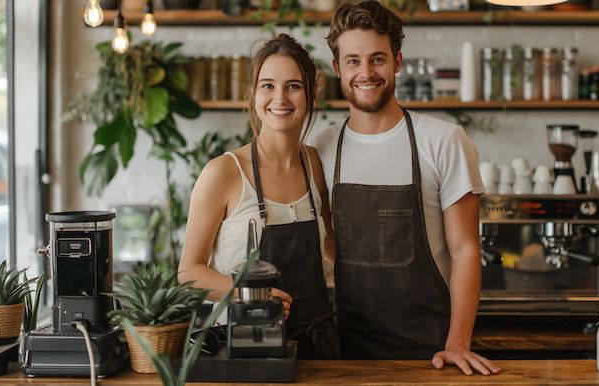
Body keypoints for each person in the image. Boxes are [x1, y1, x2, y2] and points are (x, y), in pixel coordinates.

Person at [307, 0, 501, 375]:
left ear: (397, 62)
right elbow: (331, 244)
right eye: (353, 61)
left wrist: (457, 342)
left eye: (377, 59)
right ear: (337, 68)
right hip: (347, 352)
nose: (366, 72)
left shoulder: (443, 140)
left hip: (434, 353)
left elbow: (465, 249)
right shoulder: (321, 149)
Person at [178, 34, 339, 359]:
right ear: (253, 94)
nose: (280, 97)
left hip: (318, 348)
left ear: (311, 93)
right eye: (268, 85)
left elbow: (334, 252)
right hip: (247, 348)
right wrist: (248, 293)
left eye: (293, 85)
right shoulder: (223, 173)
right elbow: (188, 273)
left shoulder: (316, 165)